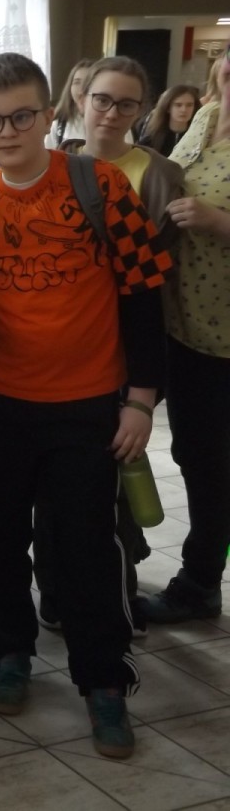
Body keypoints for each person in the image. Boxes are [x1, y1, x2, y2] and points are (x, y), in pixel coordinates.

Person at [0, 52, 173, 759]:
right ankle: (10, 649)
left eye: (22, 116)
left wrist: (141, 400)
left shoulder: (99, 185)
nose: (7, 132)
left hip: (85, 406)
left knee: (84, 549)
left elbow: (144, 295)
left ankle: (103, 679)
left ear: (49, 115)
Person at [34, 55, 185, 636]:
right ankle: (55, 590)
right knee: (55, 484)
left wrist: (142, 391)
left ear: (142, 109)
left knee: (113, 481)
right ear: (81, 98)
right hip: (59, 355)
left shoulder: (158, 173)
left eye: (127, 103)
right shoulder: (50, 164)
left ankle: (114, 590)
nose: (112, 113)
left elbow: (153, 281)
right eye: (102, 99)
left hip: (125, 351)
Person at [141, 49, 230, 624]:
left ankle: (199, 582)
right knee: (189, 451)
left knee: (211, 462)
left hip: (223, 338)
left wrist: (219, 222)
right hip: (177, 318)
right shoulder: (205, 115)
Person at [137, 84, 200, 158]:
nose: (184, 110)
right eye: (178, 105)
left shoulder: (199, 137)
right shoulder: (151, 139)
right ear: (168, 108)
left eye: (189, 105)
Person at [46, 58, 93, 149]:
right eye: (77, 82)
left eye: (88, 82)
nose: (82, 88)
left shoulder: (110, 123)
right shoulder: (58, 125)